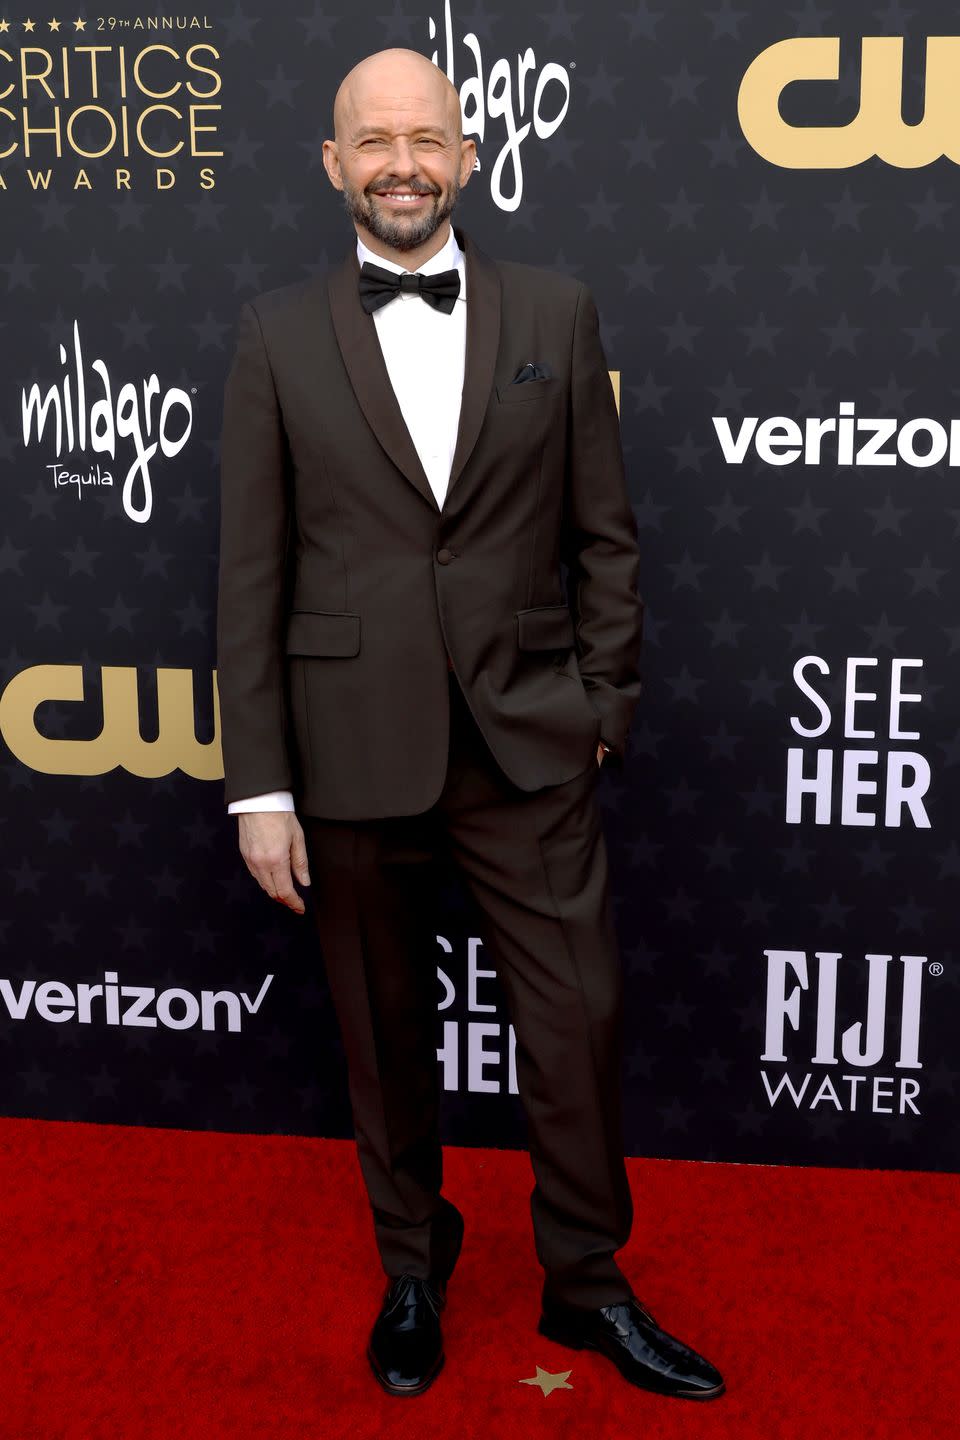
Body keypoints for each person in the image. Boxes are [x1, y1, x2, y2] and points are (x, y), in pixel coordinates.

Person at [216, 46, 724, 1403]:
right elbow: (250, 574)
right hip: (345, 753)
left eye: (425, 139)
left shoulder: (556, 313)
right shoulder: (274, 331)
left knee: (577, 1023)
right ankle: (411, 1264)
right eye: (372, 142)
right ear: (334, 165)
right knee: (382, 1039)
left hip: (531, 743)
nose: (400, 164)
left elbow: (604, 535)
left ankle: (587, 1287)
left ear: (470, 153)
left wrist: (604, 708)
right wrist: (258, 785)